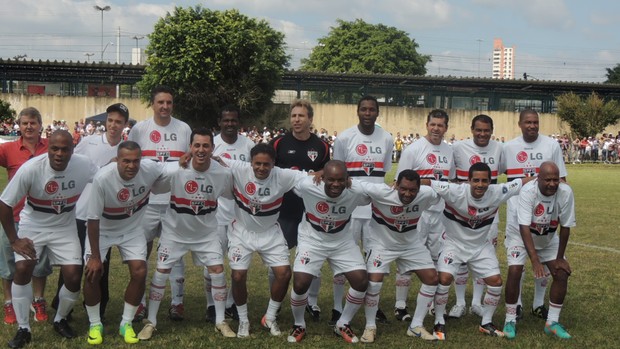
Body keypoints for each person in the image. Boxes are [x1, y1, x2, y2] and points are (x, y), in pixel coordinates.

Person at [0, 130, 97, 349]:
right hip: (34, 224)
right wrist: (14, 239)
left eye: (65, 149)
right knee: (23, 267)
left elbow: (106, 175)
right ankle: (23, 328)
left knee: (73, 275)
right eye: (55, 148)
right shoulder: (31, 168)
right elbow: (4, 203)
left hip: (64, 226)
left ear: (73, 149)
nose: (59, 153)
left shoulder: (84, 164)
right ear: (48, 148)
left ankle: (60, 318)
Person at [138, 128, 236, 340]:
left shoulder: (223, 173)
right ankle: (151, 321)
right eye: (197, 145)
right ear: (190, 148)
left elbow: (233, 192)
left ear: (212, 148)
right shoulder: (175, 170)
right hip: (175, 233)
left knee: (217, 271)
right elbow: (154, 183)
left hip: (207, 234)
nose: (201, 150)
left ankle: (220, 321)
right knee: (161, 272)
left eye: (206, 146)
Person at [427, 162, 533, 340]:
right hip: (454, 243)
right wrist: (398, 183)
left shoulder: (499, 191)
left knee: (496, 282)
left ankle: (486, 322)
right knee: (444, 279)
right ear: (468, 180)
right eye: (476, 180)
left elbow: (523, 182)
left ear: (490, 182)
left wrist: (549, 180)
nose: (480, 184)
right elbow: (428, 182)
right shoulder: (454, 190)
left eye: (484, 181)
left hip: (480, 246)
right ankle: (439, 321)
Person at [82, 141, 169, 345]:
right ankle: (95, 324)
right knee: (93, 272)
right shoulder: (103, 178)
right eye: (126, 161)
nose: (131, 166)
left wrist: (186, 159)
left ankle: (126, 323)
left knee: (139, 271)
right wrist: (95, 257)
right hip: (102, 230)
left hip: (131, 229)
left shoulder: (149, 168)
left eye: (135, 161)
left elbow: (171, 168)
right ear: (116, 160)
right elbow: (93, 219)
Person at [52, 102, 129, 320]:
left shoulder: (125, 149)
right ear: (106, 121)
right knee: (73, 262)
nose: (114, 125)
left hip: (104, 218)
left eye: (119, 122)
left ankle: (97, 307)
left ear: (125, 125)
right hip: (80, 212)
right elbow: (70, 165)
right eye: (111, 120)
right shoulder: (88, 142)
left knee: (100, 264)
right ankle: (61, 307)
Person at [224, 143, 307, 338]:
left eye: (266, 164)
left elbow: (309, 176)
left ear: (273, 164)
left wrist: (321, 174)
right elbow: (215, 159)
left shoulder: (283, 175)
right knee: (237, 276)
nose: (261, 168)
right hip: (242, 232)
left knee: (284, 273)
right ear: (250, 162)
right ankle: (243, 320)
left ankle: (270, 316)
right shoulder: (239, 168)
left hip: (270, 232)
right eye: (257, 164)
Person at [128, 86, 192, 321]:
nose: (165, 106)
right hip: (145, 202)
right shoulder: (139, 129)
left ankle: (177, 302)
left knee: (174, 252)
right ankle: (139, 303)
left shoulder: (183, 128)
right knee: (140, 252)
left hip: (174, 202)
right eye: (161, 102)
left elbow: (189, 163)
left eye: (169, 102)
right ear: (152, 104)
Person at [287, 160, 370, 343]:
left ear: (347, 179)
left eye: (341, 180)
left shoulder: (355, 190)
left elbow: (376, 193)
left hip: (342, 242)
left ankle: (343, 323)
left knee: (361, 281)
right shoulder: (308, 185)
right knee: (300, 283)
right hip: (312, 241)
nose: (336, 184)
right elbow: (289, 176)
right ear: (322, 177)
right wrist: (312, 173)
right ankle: (299, 324)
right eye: (331, 179)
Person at [358, 170, 440, 343]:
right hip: (382, 244)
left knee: (432, 278)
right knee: (373, 282)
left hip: (410, 244)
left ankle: (416, 325)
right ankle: (370, 326)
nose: (407, 194)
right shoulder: (380, 191)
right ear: (395, 185)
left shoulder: (427, 194)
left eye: (412, 190)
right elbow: (353, 183)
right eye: (403, 189)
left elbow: (440, 193)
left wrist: (429, 182)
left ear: (419, 189)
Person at [501, 109, 567, 325]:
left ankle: (539, 304)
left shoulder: (551, 145)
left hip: (544, 217)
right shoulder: (508, 147)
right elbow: (494, 176)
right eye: (528, 122)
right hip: (516, 217)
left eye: (535, 122)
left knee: (548, 261)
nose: (532, 126)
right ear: (519, 124)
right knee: (516, 267)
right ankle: (517, 304)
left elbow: (562, 180)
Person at [332, 95, 393, 324]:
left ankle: (372, 305)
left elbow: (383, 171)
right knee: (342, 258)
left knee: (374, 259)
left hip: (376, 210)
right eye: (364, 109)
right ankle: (337, 307)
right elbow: (337, 172)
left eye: (372, 110)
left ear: (377, 113)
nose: (367, 113)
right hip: (349, 208)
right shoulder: (345, 138)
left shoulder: (386, 138)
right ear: (357, 112)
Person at [270, 99, 330, 321]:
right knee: (278, 261)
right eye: (294, 116)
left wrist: (322, 171)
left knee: (312, 262)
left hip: (312, 213)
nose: (296, 120)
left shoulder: (322, 146)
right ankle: (275, 301)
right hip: (284, 212)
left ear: (310, 119)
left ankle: (311, 303)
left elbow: (329, 170)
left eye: (301, 116)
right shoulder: (278, 144)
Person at [503, 162, 575, 339]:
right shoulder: (528, 191)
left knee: (561, 273)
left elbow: (565, 227)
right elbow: (524, 227)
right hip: (520, 236)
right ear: (538, 179)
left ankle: (552, 322)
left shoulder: (565, 192)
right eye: (548, 180)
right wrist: (535, 260)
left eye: (555, 180)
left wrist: (559, 258)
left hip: (548, 238)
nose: (552, 184)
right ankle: (510, 319)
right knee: (515, 270)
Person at [394, 109, 454, 320]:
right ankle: (400, 304)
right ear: (427, 125)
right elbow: (399, 184)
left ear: (446, 128)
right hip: (416, 214)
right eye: (433, 124)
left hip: (440, 214)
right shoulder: (413, 149)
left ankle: (432, 303)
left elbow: (451, 182)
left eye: (441, 125)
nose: (436, 128)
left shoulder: (450, 151)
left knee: (438, 258)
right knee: (408, 256)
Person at [0, 107, 52, 326]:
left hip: (42, 216)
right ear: (18, 126)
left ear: (40, 125)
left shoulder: (51, 147)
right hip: (12, 216)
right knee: (8, 264)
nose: (29, 127)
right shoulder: (8, 149)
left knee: (39, 264)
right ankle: (9, 302)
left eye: (33, 122)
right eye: (24, 123)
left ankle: (38, 300)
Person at [448, 114, 503, 319]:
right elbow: (451, 178)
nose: (482, 134)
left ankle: (477, 303)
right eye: (478, 130)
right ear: (472, 130)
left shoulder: (499, 149)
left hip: (489, 213)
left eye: (486, 130)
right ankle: (460, 302)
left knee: (485, 255)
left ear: (492, 130)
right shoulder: (458, 148)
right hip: (462, 214)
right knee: (461, 258)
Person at [207, 105, 254, 322]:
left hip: (240, 215)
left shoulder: (249, 145)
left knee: (237, 264)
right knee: (213, 263)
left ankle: (232, 304)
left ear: (238, 122)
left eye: (233, 120)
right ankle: (211, 304)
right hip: (215, 214)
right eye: (226, 120)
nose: (230, 124)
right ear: (219, 121)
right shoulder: (211, 144)